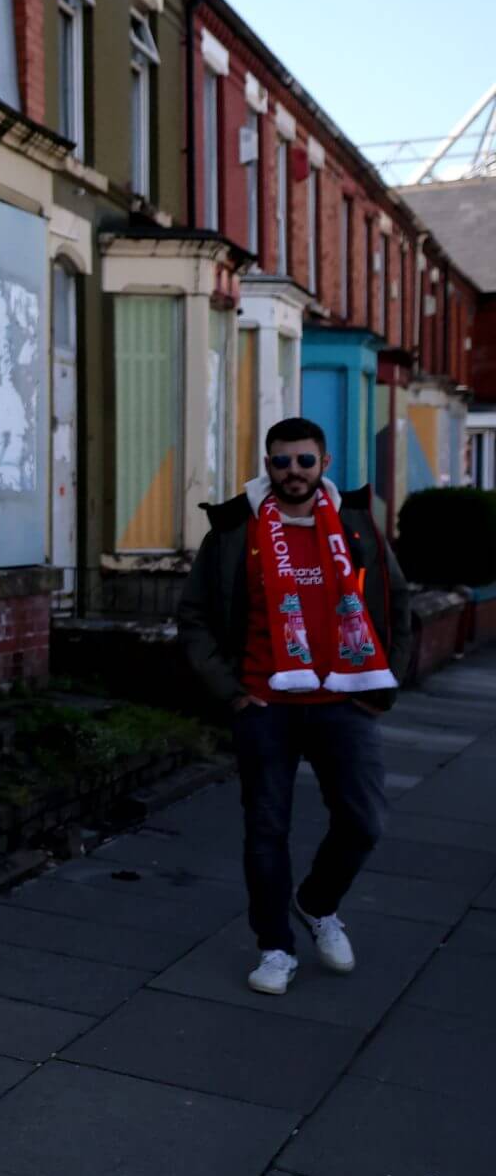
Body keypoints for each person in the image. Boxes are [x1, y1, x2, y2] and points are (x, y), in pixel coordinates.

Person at [176, 417, 413, 997]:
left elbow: (397, 602)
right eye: (281, 462)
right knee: (266, 830)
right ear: (267, 464)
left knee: (365, 822)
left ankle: (316, 903)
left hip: (344, 703)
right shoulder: (236, 530)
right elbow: (196, 616)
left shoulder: (355, 524)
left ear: (324, 464)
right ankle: (275, 946)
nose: (293, 473)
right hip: (265, 704)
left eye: (305, 461)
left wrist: (385, 685)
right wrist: (229, 690)